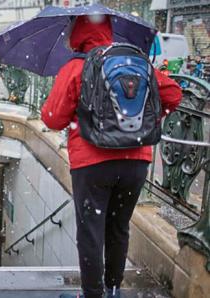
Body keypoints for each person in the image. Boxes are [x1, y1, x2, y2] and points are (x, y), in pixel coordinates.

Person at [40, 16, 182, 298]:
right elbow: (174, 95)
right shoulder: (134, 63)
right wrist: (145, 122)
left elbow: (53, 118)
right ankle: (114, 288)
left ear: (78, 33)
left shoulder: (77, 67)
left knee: (91, 232)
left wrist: (80, 113)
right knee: (119, 228)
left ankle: (93, 294)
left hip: (92, 164)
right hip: (136, 162)